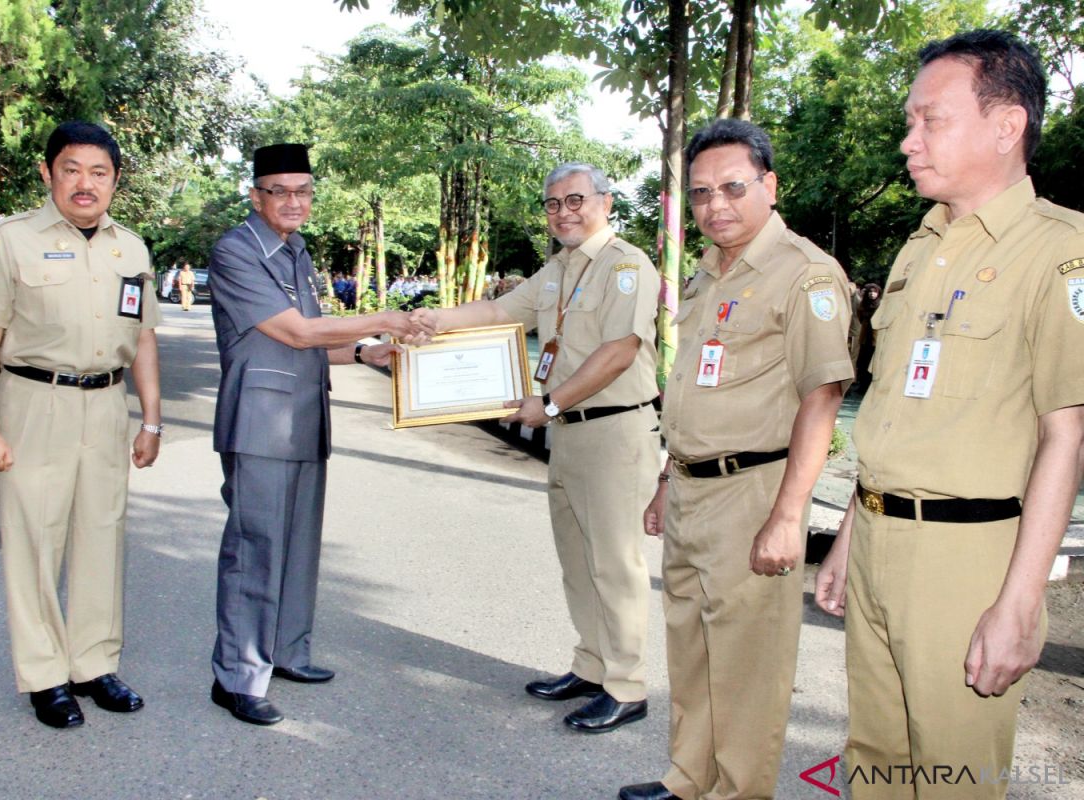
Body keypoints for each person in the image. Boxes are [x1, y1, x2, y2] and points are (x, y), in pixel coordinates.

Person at [815, 30, 1084, 798]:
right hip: (878, 541)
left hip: (968, 559)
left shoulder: (1062, 251)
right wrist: (850, 536)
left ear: (1007, 127)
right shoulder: (917, 249)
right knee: (875, 761)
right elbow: (898, 418)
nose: (908, 140)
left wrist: (1020, 601)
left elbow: (1065, 436)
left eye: (931, 119)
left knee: (954, 776)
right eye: (911, 120)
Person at [618, 120, 853, 800]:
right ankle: (690, 777)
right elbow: (693, 388)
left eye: (732, 187)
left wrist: (788, 518)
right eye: (700, 193)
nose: (715, 205)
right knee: (691, 648)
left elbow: (824, 394)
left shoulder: (804, 273)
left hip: (754, 491)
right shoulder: (708, 273)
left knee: (747, 665)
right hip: (693, 487)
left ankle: (739, 791)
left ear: (769, 186)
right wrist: (668, 478)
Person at [413, 162, 660, 734]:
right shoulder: (559, 269)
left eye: (576, 200)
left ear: (605, 202)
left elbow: (619, 351)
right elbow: (500, 311)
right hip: (571, 433)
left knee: (614, 563)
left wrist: (549, 404)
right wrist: (430, 320)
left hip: (613, 430)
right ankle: (592, 666)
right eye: (553, 204)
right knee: (578, 559)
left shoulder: (626, 265)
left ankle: (626, 686)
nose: (564, 212)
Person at [0, 120, 162, 729]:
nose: (85, 183)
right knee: (34, 539)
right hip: (32, 402)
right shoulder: (9, 240)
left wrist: (152, 421)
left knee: (103, 534)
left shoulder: (132, 248)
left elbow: (142, 337)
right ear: (48, 173)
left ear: (116, 181)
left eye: (99, 173)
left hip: (105, 404)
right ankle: (45, 676)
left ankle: (93, 664)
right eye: (71, 169)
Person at [207, 143, 415, 726]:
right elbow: (296, 333)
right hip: (259, 422)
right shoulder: (236, 250)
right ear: (256, 196)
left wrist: (369, 353)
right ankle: (239, 676)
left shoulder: (297, 253)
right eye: (280, 190)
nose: (294, 201)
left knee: (298, 544)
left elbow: (317, 342)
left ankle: (288, 652)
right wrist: (384, 318)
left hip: (304, 415)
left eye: (303, 191)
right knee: (255, 548)